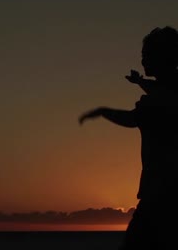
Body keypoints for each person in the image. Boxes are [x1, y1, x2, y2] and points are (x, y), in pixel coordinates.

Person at [79, 26, 178, 250]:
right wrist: (141, 82)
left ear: (162, 57)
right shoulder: (168, 88)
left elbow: (132, 119)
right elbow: (165, 85)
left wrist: (103, 111)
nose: (142, 60)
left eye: (147, 55)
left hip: (161, 193)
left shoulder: (157, 101)